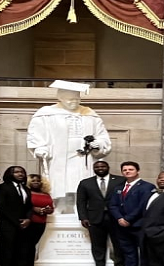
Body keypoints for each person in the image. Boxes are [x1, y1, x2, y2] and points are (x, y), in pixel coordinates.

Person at [26, 81, 112, 212]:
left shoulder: (89, 113)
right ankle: (59, 208)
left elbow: (102, 136)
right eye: (70, 99)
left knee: (82, 180)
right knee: (60, 182)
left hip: (84, 157)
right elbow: (35, 133)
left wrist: (98, 144)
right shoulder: (46, 113)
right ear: (60, 98)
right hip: (59, 155)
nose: (74, 102)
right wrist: (40, 147)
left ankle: (81, 208)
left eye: (77, 99)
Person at [76, 161, 126, 266]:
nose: (100, 168)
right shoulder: (85, 183)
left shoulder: (120, 180)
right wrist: (83, 217)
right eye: (97, 167)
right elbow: (81, 202)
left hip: (116, 217)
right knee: (97, 244)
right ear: (94, 169)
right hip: (94, 218)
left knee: (118, 244)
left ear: (108, 167)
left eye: (103, 166)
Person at [107, 161, 155, 266]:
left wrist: (128, 219)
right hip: (122, 225)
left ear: (137, 171)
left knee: (144, 251)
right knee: (127, 250)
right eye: (125, 170)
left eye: (130, 169)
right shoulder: (118, 187)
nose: (127, 171)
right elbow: (112, 205)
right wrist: (119, 218)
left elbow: (143, 205)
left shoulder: (147, 187)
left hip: (139, 224)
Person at [0, 165, 36, 266]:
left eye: (22, 172)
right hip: (7, 225)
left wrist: (28, 219)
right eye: (16, 172)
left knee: (21, 251)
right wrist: (17, 222)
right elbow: (2, 206)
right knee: (8, 252)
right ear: (9, 174)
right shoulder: (2, 188)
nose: (20, 174)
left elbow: (29, 206)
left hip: (24, 225)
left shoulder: (26, 189)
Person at [23, 174, 55, 266]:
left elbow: (51, 207)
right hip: (29, 222)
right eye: (33, 181)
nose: (36, 182)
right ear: (28, 182)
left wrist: (48, 210)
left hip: (41, 222)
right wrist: (35, 209)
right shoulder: (26, 193)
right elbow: (22, 205)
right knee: (26, 245)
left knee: (33, 245)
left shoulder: (46, 194)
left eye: (38, 181)